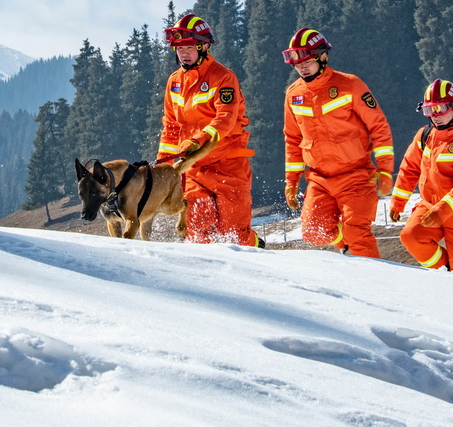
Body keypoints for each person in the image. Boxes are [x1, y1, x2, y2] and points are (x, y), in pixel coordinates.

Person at [282, 27, 394, 257]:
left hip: (356, 176)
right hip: (319, 180)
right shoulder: (293, 94)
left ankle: (376, 287)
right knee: (313, 233)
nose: (302, 66)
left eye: (308, 60)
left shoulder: (350, 84)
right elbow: (293, 140)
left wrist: (385, 170)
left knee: (358, 232)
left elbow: (379, 127)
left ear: (323, 57)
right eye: (296, 61)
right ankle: (346, 242)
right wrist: (291, 182)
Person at [157, 14, 261, 246]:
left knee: (234, 235)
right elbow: (171, 127)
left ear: (204, 46)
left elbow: (225, 119)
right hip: (193, 169)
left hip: (228, 167)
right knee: (198, 229)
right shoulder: (174, 81)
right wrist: (164, 167)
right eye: (178, 48)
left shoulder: (223, 77)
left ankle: (256, 245)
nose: (183, 53)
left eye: (189, 47)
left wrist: (198, 140)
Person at [389, 80, 453, 274]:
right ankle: (445, 269)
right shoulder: (424, 135)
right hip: (430, 204)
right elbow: (409, 169)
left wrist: (442, 211)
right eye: (429, 110)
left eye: (439, 109)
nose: (435, 117)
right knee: (411, 236)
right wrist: (397, 202)